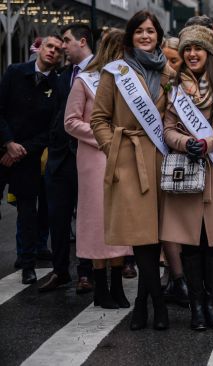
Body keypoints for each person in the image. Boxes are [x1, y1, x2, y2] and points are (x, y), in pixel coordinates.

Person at [91, 10, 176, 331]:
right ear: (130, 36)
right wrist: (113, 148)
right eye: (139, 31)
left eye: (150, 31)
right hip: (130, 163)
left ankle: (143, 302)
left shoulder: (170, 73)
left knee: (155, 238)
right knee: (142, 238)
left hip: (162, 162)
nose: (145, 36)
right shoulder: (116, 72)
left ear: (158, 36)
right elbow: (98, 119)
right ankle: (155, 306)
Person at [161, 25, 213, 331]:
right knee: (191, 244)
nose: (192, 54)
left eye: (198, 49)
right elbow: (167, 127)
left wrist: (208, 143)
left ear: (209, 53)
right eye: (187, 50)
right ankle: (197, 307)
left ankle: (211, 302)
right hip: (187, 171)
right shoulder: (174, 87)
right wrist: (185, 143)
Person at [64, 29, 133, 308]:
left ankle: (117, 283)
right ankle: (100, 285)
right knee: (96, 220)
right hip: (94, 157)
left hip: (124, 156)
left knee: (120, 219)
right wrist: (104, 135)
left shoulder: (129, 81)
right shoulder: (85, 81)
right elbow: (70, 121)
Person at [0, 35, 63, 284]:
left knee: (28, 212)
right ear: (40, 48)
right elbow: (0, 110)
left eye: (58, 50)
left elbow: (51, 129)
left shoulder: (58, 86)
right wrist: (8, 143)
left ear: (61, 57)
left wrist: (20, 149)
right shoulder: (15, 72)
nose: (53, 52)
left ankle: (27, 264)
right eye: (49, 46)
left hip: (28, 155)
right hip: (3, 147)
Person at [39, 24, 95, 294]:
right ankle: (60, 270)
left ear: (82, 41)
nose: (62, 45)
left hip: (89, 155)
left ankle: (87, 272)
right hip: (60, 158)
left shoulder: (102, 72)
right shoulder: (62, 74)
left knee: (87, 217)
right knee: (57, 218)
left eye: (67, 40)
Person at [159, 35, 190, 307]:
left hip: (184, 158)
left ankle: (182, 277)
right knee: (166, 222)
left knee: (182, 221)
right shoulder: (158, 83)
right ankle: (176, 277)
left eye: (174, 60)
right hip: (160, 155)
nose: (169, 66)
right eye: (165, 59)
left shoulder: (188, 87)